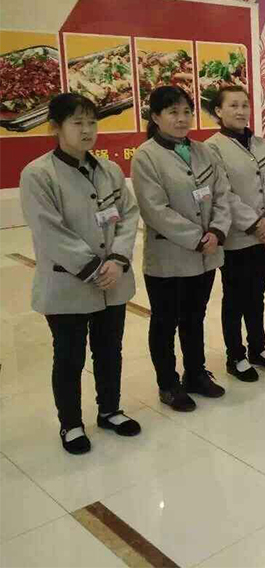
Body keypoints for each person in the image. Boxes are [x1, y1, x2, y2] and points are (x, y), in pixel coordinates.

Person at [20, 93, 142, 454]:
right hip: (68, 283)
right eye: (77, 123)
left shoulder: (109, 170)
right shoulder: (38, 174)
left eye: (92, 122)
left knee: (109, 349)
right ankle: (71, 423)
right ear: (55, 128)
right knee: (69, 356)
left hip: (113, 280)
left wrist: (117, 259)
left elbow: (128, 214)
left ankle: (110, 410)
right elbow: (48, 229)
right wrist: (92, 267)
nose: (87, 130)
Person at [132, 85, 231, 412]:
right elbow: (155, 210)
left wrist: (217, 230)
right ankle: (168, 383)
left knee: (194, 316)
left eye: (186, 111)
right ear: (156, 117)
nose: (182, 119)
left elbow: (222, 193)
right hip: (170, 258)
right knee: (165, 321)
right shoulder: (146, 156)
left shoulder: (204, 151)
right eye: (173, 112)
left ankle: (195, 374)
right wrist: (197, 238)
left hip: (206, 254)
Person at [205, 86, 265, 381]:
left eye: (244, 105)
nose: (241, 111)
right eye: (233, 105)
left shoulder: (261, 144)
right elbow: (223, 194)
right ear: (218, 111)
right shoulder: (212, 148)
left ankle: (258, 347)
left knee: (257, 294)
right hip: (238, 237)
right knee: (235, 297)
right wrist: (255, 225)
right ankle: (235, 355)